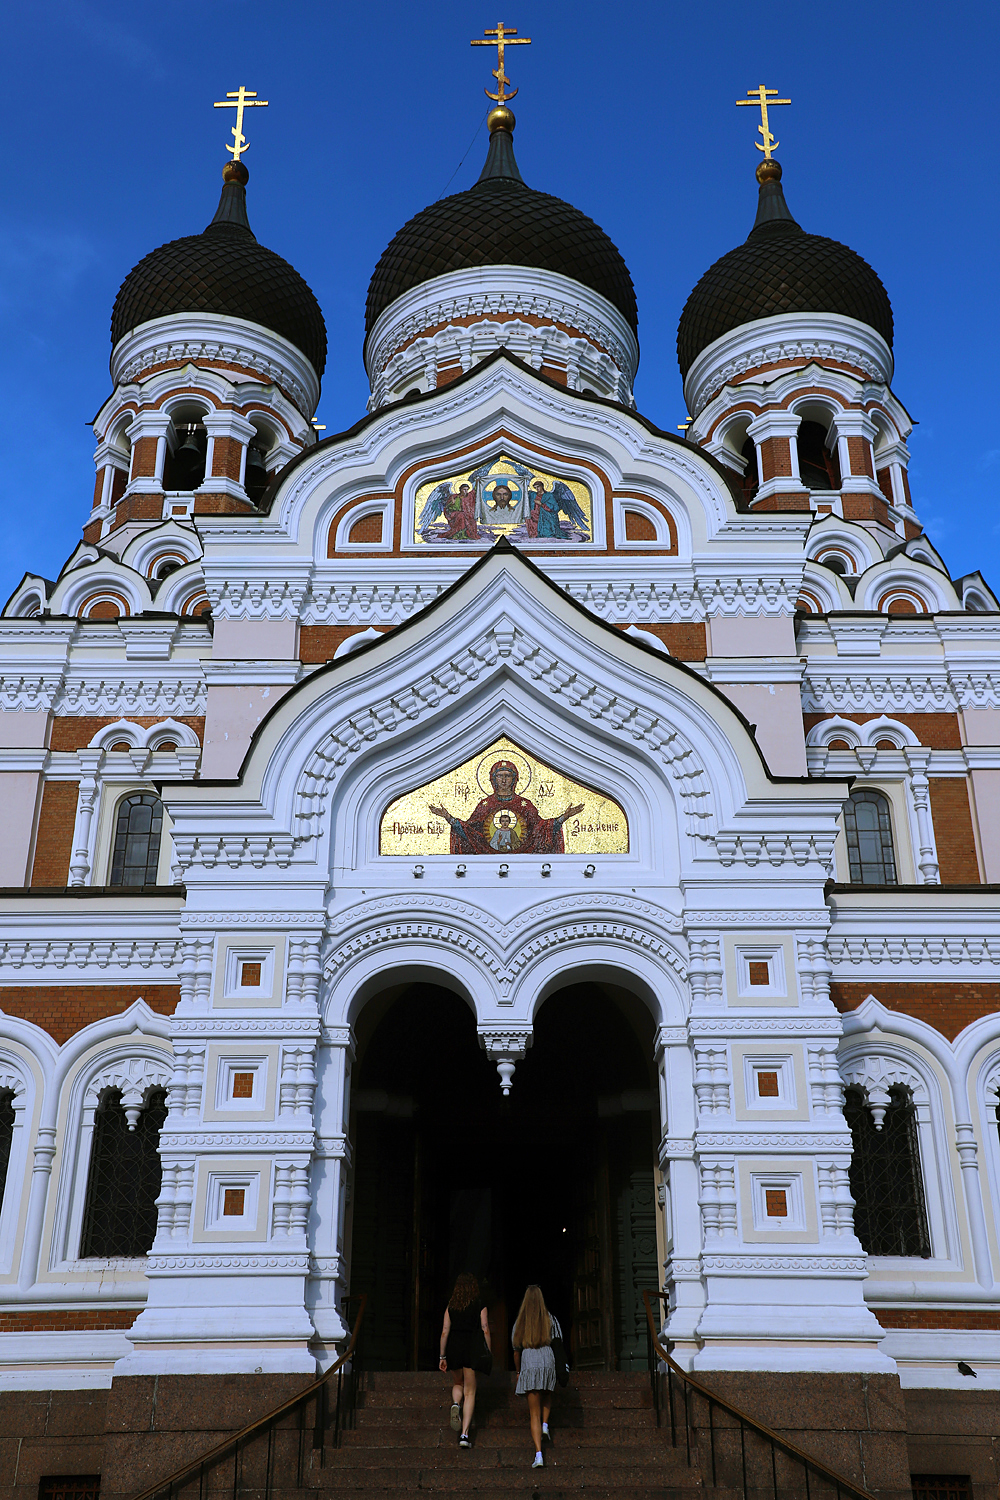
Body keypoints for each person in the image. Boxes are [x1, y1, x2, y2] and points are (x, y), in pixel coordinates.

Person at [511, 1284, 562, 1469]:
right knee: (547, 1393)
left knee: (534, 1413)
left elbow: (516, 1348)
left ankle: (539, 1454)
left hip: (529, 1360)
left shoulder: (521, 1321)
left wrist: (518, 1371)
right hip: (547, 1359)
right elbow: (558, 1341)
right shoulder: (550, 1319)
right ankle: (546, 1425)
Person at [439, 1272, 490, 1448]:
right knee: (470, 1392)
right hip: (472, 1348)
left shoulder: (451, 1306)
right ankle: (464, 1435)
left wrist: (442, 1356)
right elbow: (485, 1329)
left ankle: (455, 1403)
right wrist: (488, 1351)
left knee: (458, 1383)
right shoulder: (480, 1305)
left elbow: (445, 1331)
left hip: (454, 1347)